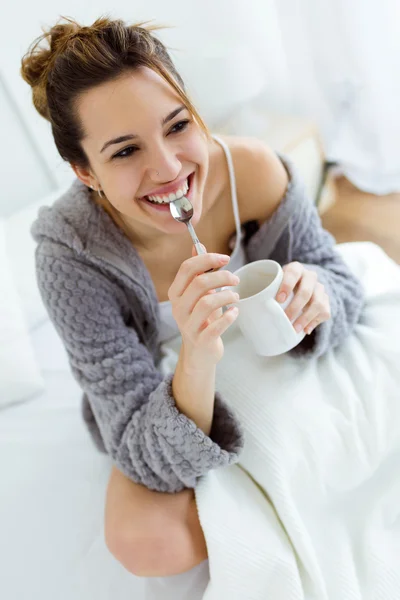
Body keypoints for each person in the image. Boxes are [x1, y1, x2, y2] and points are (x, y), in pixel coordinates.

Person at [21, 16, 364, 579]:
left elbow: (334, 273)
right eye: (126, 151)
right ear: (87, 173)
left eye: (178, 125)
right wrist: (197, 354)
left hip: (269, 360)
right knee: (149, 544)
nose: (170, 168)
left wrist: (316, 292)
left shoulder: (252, 169)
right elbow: (134, 442)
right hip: (177, 397)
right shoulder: (68, 257)